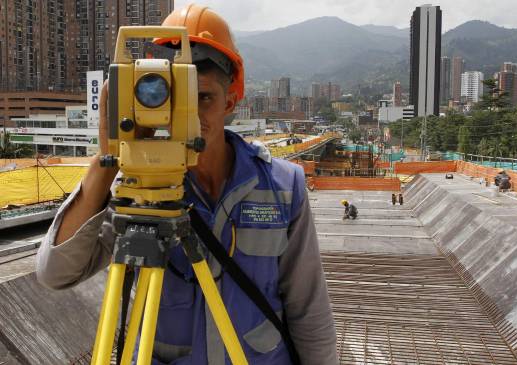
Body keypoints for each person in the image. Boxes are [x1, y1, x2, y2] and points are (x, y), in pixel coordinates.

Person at [35, 4, 337, 365]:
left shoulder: (283, 185)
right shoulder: (138, 189)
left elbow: (309, 311)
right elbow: (55, 273)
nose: (187, 114)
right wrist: (107, 157)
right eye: (174, 98)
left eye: (202, 97)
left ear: (231, 101)